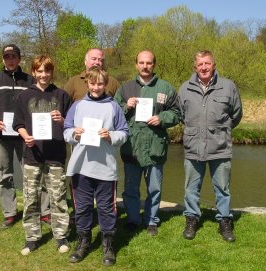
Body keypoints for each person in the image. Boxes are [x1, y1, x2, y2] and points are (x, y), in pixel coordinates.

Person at [0, 44, 50, 229]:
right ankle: (9, 213)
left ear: (19, 58)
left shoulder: (29, 80)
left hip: (26, 136)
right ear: (3, 59)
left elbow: (39, 103)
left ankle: (41, 211)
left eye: (13, 56)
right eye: (7, 56)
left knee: (33, 173)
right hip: (1, 137)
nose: (10, 59)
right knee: (5, 175)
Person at [63, 67, 128, 266]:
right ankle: (83, 241)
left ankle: (108, 244)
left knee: (107, 209)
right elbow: (66, 131)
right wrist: (75, 133)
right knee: (81, 208)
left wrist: (111, 136)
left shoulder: (114, 107)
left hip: (105, 168)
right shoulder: (77, 105)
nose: (97, 87)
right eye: (93, 83)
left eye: (100, 83)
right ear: (88, 83)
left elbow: (124, 133)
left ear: (105, 83)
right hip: (81, 167)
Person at [178, 50, 243, 242]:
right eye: (200, 64)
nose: (204, 67)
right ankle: (191, 219)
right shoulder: (184, 88)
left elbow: (236, 114)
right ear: (195, 67)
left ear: (214, 65)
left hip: (220, 147)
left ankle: (224, 222)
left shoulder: (228, 86)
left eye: (207, 63)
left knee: (223, 188)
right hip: (193, 147)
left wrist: (223, 129)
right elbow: (182, 115)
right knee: (191, 188)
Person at [114, 50, 180, 236]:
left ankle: (152, 220)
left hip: (155, 148)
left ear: (154, 65)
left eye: (149, 63)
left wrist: (162, 118)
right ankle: (133, 219)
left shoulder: (165, 88)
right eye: (141, 62)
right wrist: (126, 106)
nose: (145, 66)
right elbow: (113, 111)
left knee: (154, 188)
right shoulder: (125, 88)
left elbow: (177, 113)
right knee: (131, 188)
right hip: (131, 148)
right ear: (136, 64)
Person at [12, 55, 71, 255]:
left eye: (47, 71)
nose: (43, 74)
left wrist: (62, 120)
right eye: (39, 71)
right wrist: (26, 136)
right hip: (32, 155)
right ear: (34, 72)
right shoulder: (24, 96)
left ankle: (61, 235)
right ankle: (32, 238)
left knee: (58, 197)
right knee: (30, 198)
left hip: (56, 155)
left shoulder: (62, 95)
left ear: (51, 72)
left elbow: (70, 126)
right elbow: (18, 123)